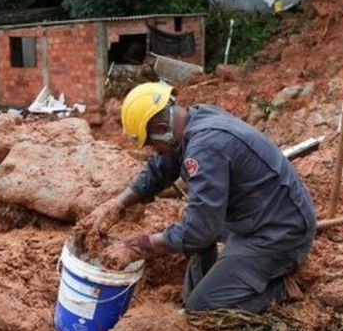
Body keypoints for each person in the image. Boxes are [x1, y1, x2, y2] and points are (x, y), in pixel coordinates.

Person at [79, 82, 317, 312]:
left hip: (279, 233)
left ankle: (280, 290)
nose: (153, 151)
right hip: (257, 214)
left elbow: (199, 231)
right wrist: (117, 204)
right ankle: (215, 278)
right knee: (194, 229)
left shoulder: (206, 148)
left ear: (163, 129)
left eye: (152, 144)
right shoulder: (193, 120)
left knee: (201, 307)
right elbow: (160, 168)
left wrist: (144, 245)